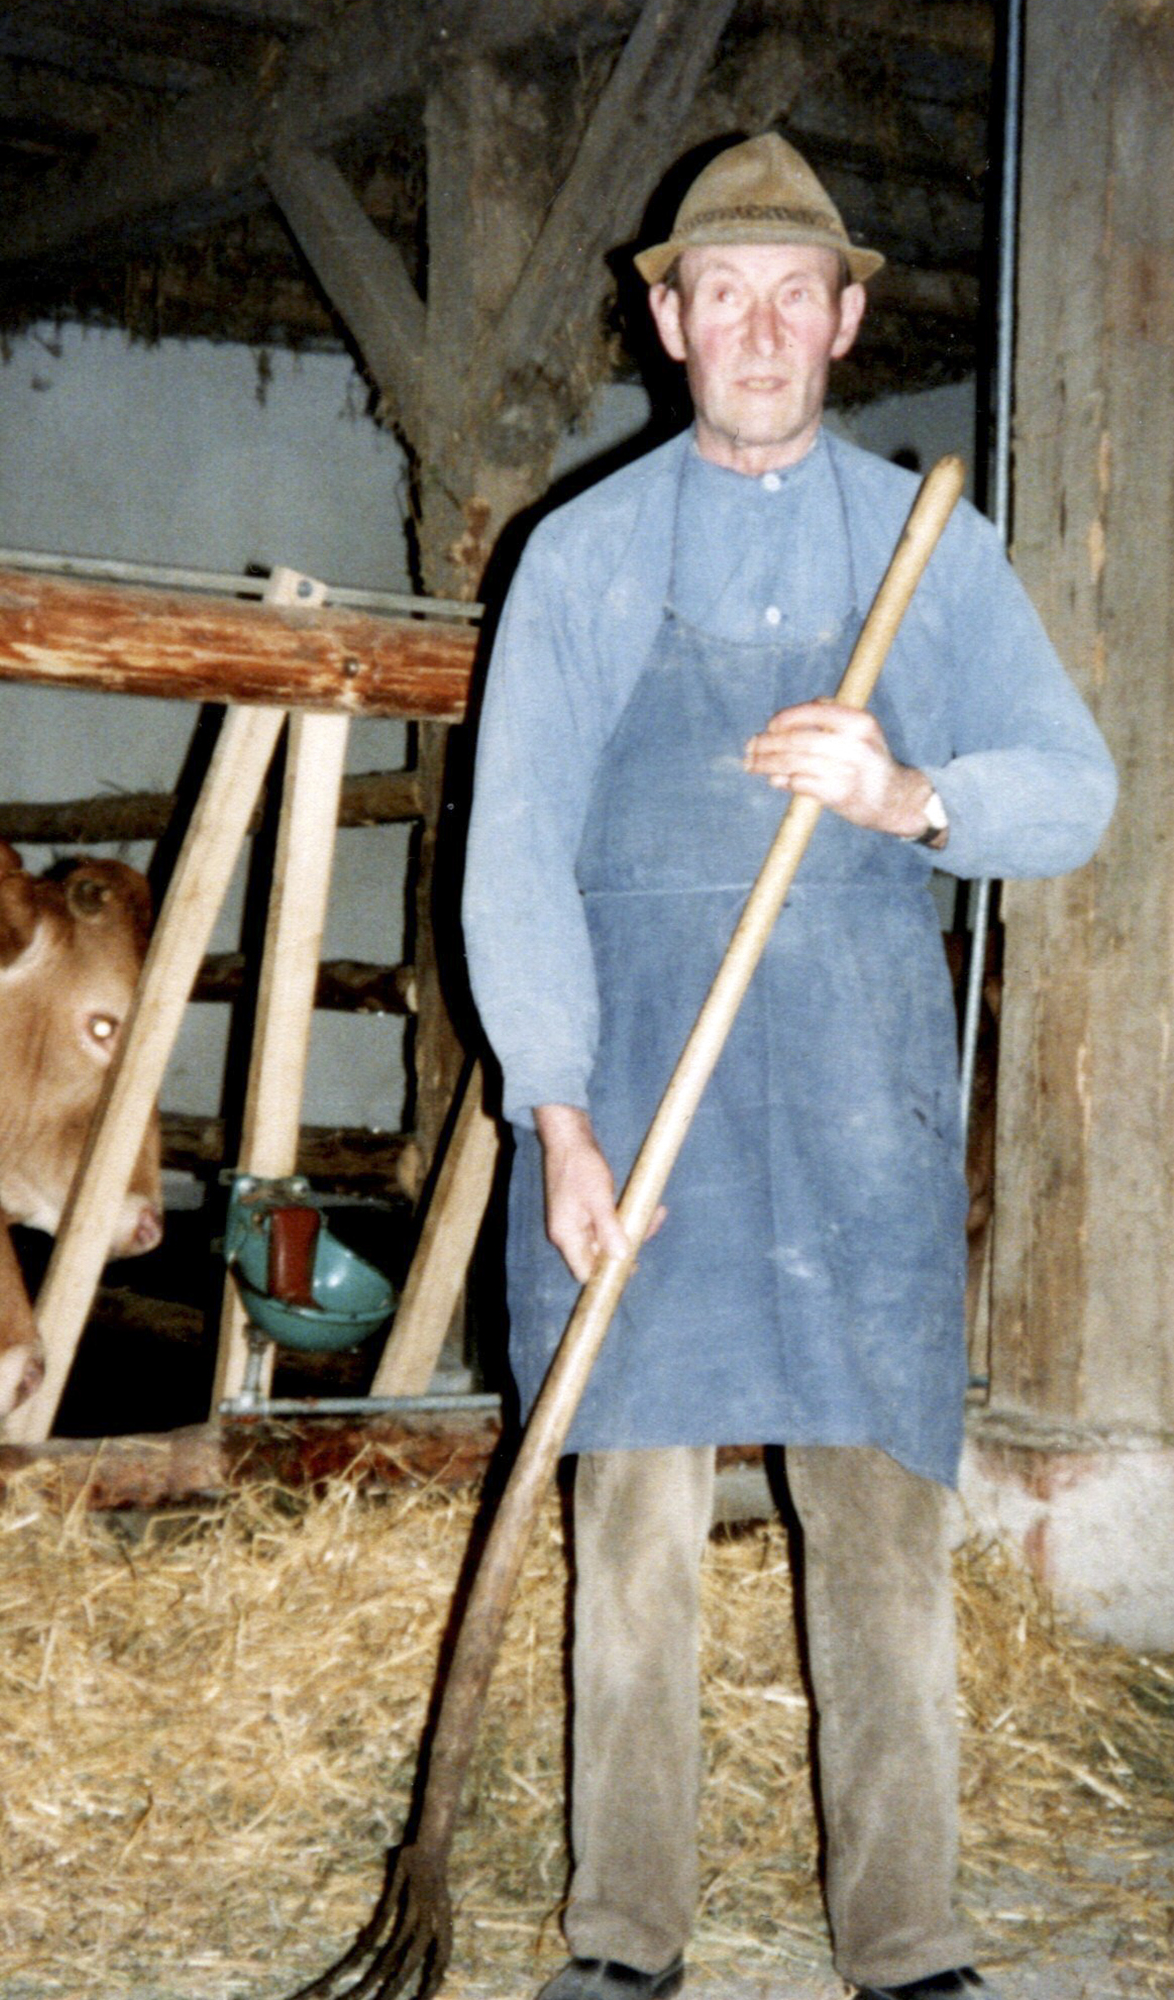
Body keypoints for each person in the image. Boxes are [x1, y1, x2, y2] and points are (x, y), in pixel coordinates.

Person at [460, 133, 1116, 2000]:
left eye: (793, 296)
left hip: (851, 1107)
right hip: (639, 1106)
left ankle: (907, 1942)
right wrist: (557, 1121)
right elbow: (512, 857)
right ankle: (624, 1940)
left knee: (883, 1520)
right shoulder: (583, 559)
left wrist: (911, 794)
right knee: (634, 1528)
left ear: (843, 324)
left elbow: (1072, 791)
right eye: (720, 294)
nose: (757, 329)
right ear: (668, 323)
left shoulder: (930, 552)